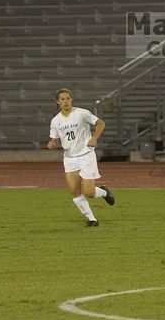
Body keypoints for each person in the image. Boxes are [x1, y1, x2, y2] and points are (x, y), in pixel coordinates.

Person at [47, 88, 115, 226]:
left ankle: (104, 192)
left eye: (68, 98)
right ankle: (92, 220)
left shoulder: (81, 113)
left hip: (86, 155)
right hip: (70, 158)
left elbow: (101, 123)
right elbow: (54, 140)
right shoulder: (55, 121)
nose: (66, 101)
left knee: (89, 192)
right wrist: (52, 143)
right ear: (57, 102)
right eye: (62, 99)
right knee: (75, 191)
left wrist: (94, 138)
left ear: (71, 100)